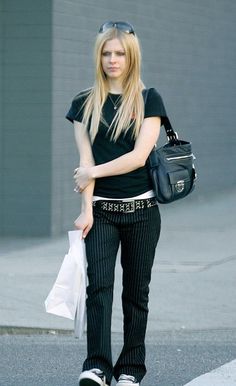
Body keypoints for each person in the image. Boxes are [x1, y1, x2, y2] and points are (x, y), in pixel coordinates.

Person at [66, 20, 167, 386]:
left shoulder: (147, 99)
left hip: (142, 212)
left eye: (120, 53)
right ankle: (97, 366)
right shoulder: (83, 103)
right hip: (103, 213)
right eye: (107, 53)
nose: (112, 59)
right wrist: (85, 210)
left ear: (131, 57)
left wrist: (91, 173)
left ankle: (130, 369)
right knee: (99, 289)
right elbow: (84, 157)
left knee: (136, 294)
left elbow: (139, 157)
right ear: (99, 56)